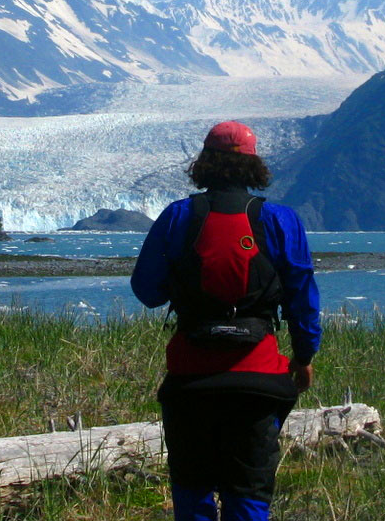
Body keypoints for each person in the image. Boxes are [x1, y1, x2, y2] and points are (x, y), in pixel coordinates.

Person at [131, 121, 322, 521]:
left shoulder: (178, 216)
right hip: (259, 374)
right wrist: (303, 356)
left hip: (190, 376)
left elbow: (147, 291)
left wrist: (184, 282)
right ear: (254, 166)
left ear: (203, 163)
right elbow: (302, 294)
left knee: (193, 490)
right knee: (248, 492)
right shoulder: (281, 220)